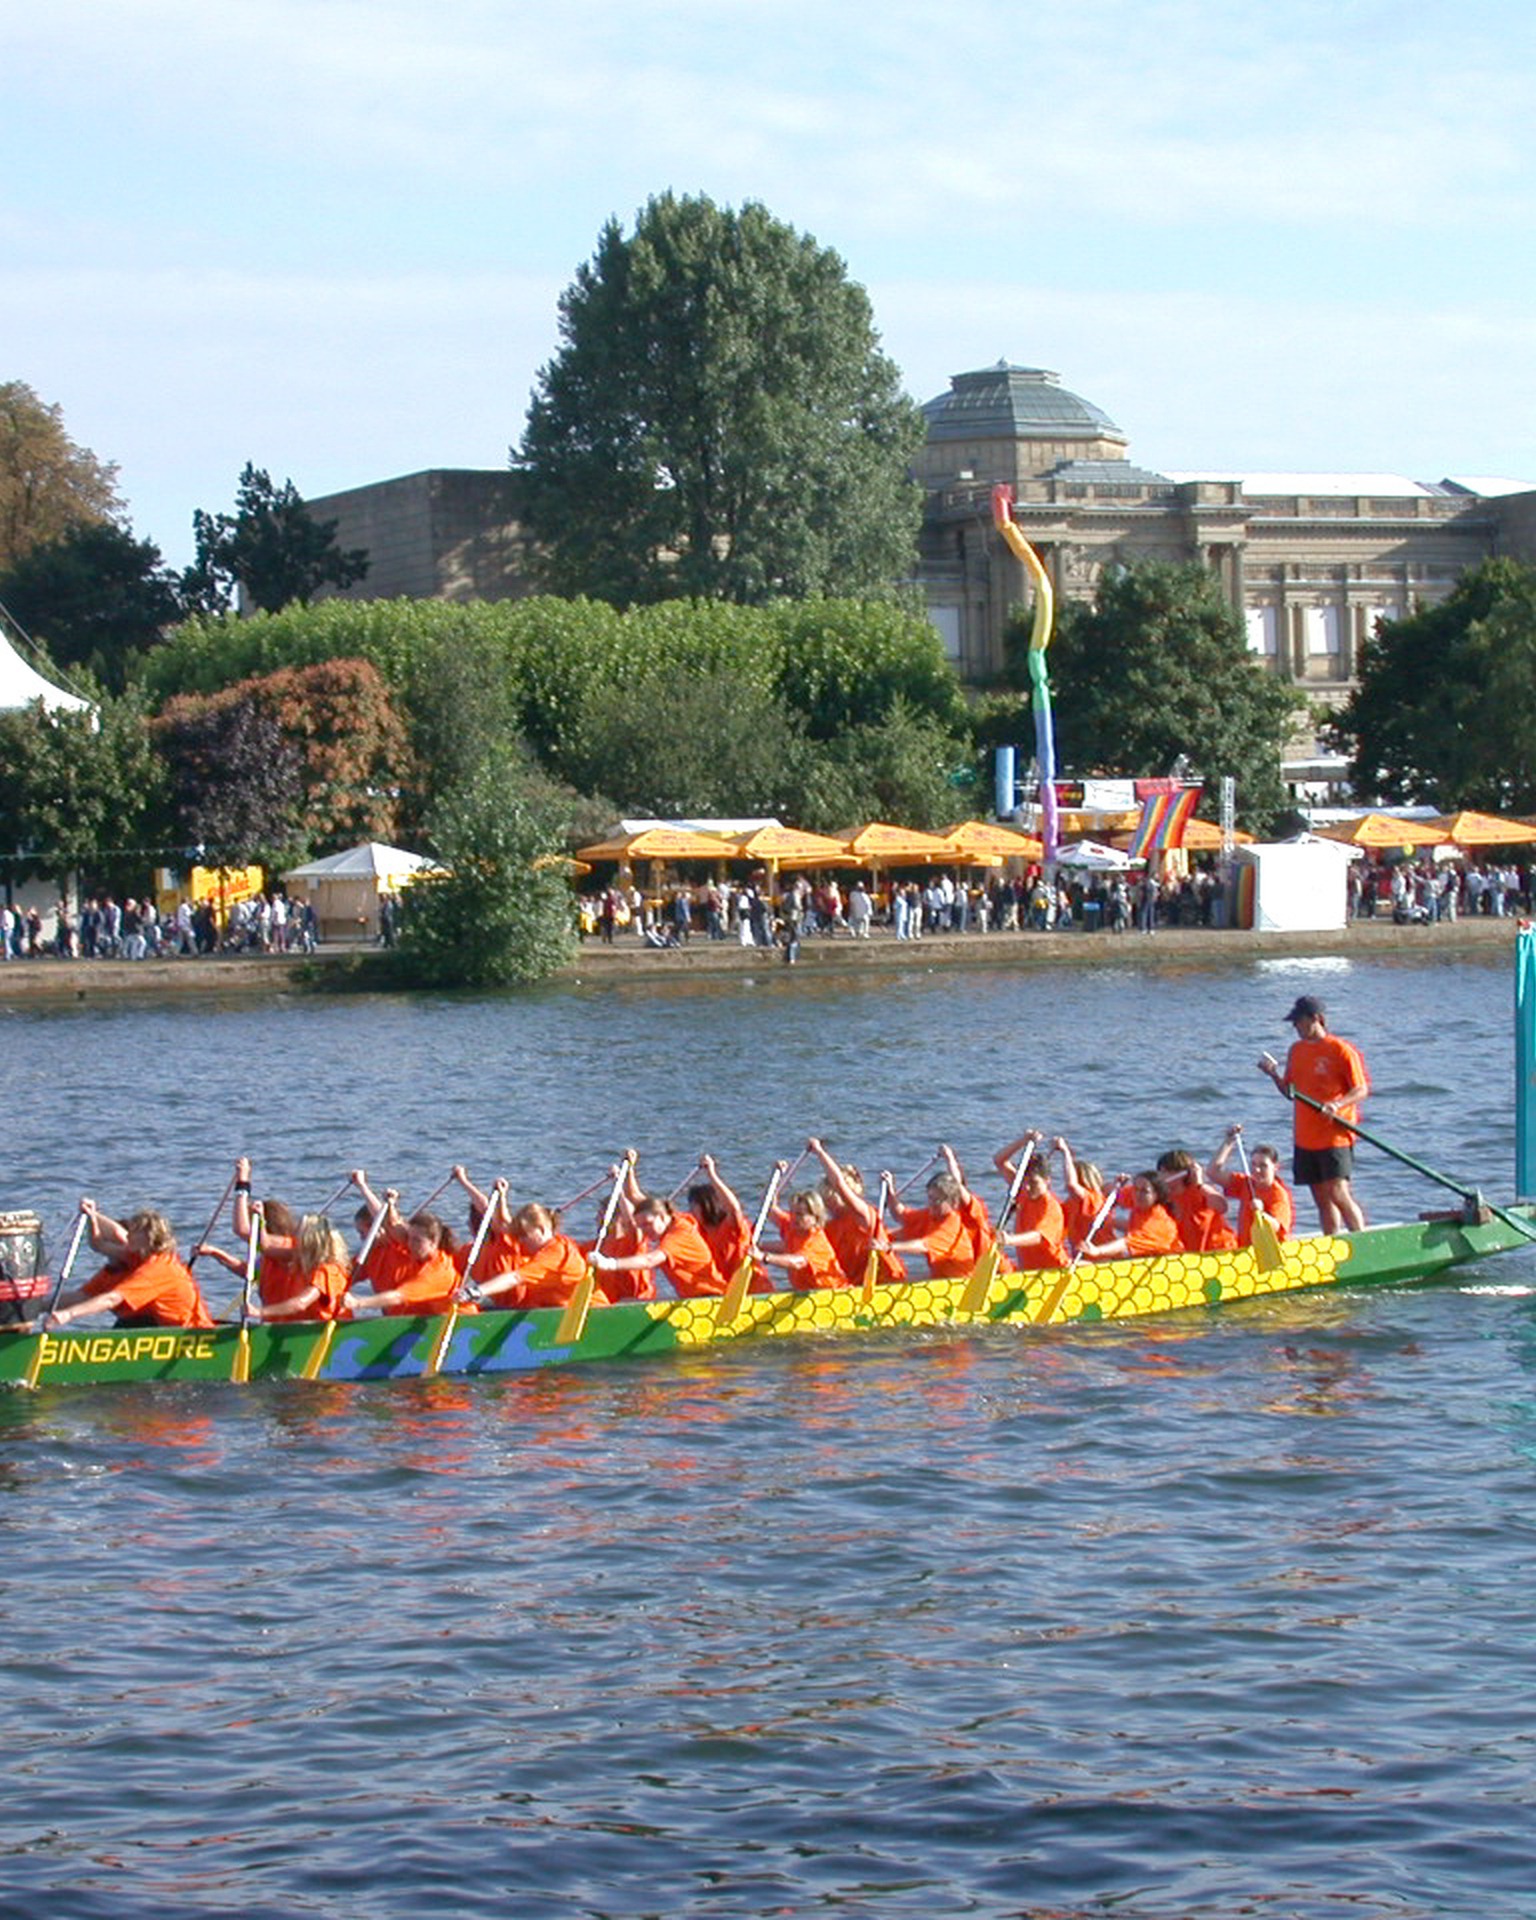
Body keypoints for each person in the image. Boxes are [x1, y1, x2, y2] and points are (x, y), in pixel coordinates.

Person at [1258, 994, 1370, 1232]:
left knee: (1338, 1192)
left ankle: (1361, 1239)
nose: (1295, 1027)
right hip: (1306, 1137)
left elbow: (1361, 1090)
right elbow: (1291, 1093)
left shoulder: (1341, 1050)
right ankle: (1332, 1242)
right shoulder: (1296, 1051)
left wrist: (1337, 1105)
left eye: (1299, 1021)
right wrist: (1273, 1075)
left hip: (1335, 1135)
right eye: (1294, 1022)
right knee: (1321, 1199)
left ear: (1316, 1019)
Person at [21, 1200, 213, 1331]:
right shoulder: (137, 1257)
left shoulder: (158, 1269)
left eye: (134, 1231)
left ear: (149, 1238)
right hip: (162, 1328)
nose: (128, 1235)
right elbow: (99, 1244)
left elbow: (112, 1299)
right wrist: (92, 1214)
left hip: (191, 1335)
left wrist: (68, 1315)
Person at [471, 1203, 590, 1310]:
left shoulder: (556, 1254)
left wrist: (477, 1291)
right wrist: (502, 1198)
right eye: (519, 1236)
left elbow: (515, 1278)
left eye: (524, 1235)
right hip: (542, 1307)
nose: (520, 1241)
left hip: (568, 1312)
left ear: (542, 1230)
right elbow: (502, 1224)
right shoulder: (550, 1243)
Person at [1206, 1125, 1295, 1246]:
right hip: (1247, 1248)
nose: (1257, 1170)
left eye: (1263, 1166)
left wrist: (1261, 1212)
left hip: (1272, 1249)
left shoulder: (1278, 1194)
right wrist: (1229, 1142)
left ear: (1276, 1167)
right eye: (1253, 1164)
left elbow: (1278, 1227)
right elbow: (1212, 1172)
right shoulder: (1247, 1183)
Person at [1078, 1171, 1181, 1262]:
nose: (1138, 1194)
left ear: (1157, 1195)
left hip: (1167, 1264)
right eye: (1136, 1189)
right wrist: (1116, 1185)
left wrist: (1097, 1251)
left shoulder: (1157, 1222)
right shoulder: (1139, 1201)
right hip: (1143, 1257)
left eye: (1144, 1191)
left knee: (1097, 1262)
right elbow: (1109, 1194)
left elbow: (1126, 1243)